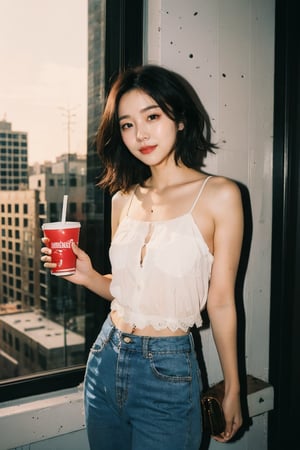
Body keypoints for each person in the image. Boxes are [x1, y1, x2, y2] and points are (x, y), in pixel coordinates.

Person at [41, 64, 243, 450]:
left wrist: (233, 385)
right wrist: (88, 276)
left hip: (167, 370)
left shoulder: (220, 195)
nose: (140, 134)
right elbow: (127, 292)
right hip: (105, 356)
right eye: (127, 124)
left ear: (180, 118)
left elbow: (220, 302)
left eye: (152, 116)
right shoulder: (123, 199)